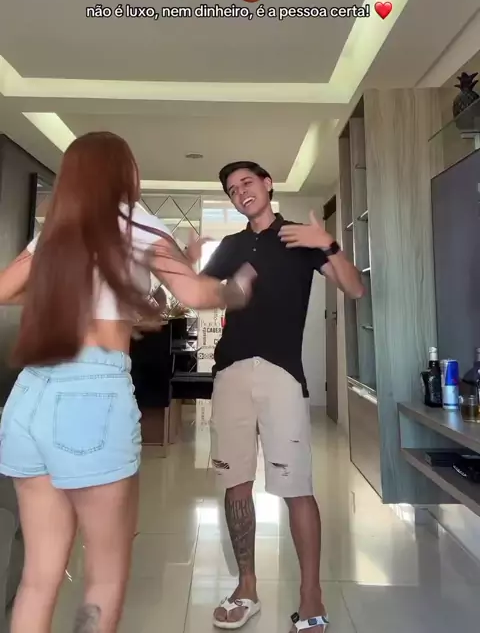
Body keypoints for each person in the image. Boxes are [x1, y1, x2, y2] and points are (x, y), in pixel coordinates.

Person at [0, 133, 255, 633]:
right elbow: (195, 294)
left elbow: (5, 290)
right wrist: (238, 288)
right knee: (104, 576)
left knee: (37, 578)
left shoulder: (55, 230)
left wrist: (74, 296)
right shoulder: (137, 222)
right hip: (90, 398)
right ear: (124, 173)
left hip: (28, 398)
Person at [201, 161, 364, 632]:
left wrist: (327, 243)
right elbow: (204, 295)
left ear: (268, 184)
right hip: (230, 371)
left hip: (282, 373)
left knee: (296, 486)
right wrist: (226, 288)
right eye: (232, 189)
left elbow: (355, 287)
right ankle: (246, 587)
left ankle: (311, 596)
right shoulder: (230, 246)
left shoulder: (299, 237)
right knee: (235, 482)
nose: (240, 192)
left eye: (247, 183)